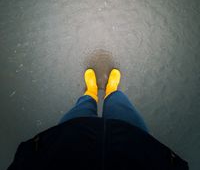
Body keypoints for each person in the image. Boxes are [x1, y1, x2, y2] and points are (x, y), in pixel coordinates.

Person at [8, 69, 188, 170]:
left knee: (83, 107)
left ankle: (91, 92)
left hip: (69, 144)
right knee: (119, 103)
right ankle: (111, 90)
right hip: (133, 144)